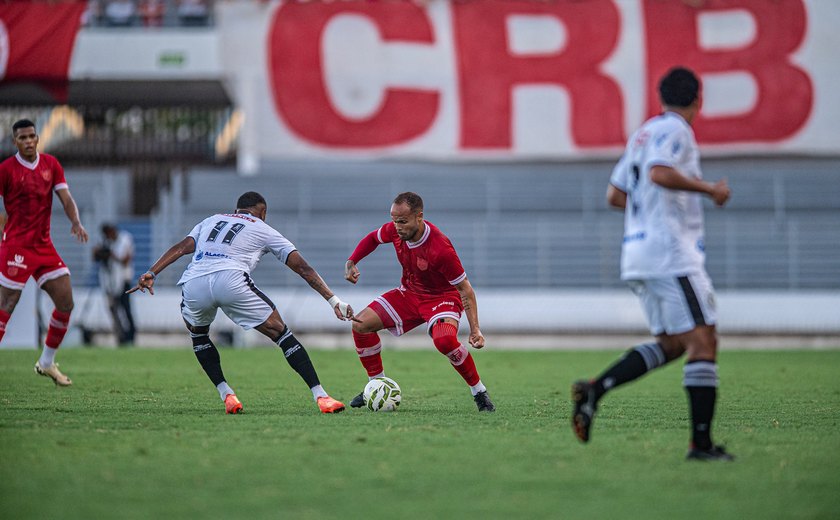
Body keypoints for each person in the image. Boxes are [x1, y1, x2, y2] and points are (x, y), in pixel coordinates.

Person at [570, 67, 733, 461]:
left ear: (661, 98)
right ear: (699, 99)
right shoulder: (678, 131)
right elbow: (660, 173)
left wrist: (648, 214)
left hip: (639, 252)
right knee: (704, 340)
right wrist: (709, 189)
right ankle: (701, 445)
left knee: (674, 344)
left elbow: (615, 195)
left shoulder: (643, 133)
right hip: (670, 254)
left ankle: (596, 389)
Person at [127, 191, 354, 414]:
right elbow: (303, 268)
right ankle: (321, 396)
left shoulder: (211, 220)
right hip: (230, 279)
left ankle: (226, 394)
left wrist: (152, 273)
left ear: (236, 209)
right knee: (280, 332)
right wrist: (333, 300)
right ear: (263, 212)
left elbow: (181, 248)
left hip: (195, 281)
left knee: (198, 334)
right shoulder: (264, 229)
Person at [344, 192, 495, 412]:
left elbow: (465, 290)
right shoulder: (396, 230)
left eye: (402, 221)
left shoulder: (440, 249)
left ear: (419, 217)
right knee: (360, 324)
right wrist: (352, 261)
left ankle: (479, 392)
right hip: (409, 294)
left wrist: (475, 330)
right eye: (394, 220)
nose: (396, 227)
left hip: (441, 298)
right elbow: (373, 238)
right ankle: (376, 384)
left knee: (444, 340)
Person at [0, 119, 89, 385]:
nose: (28, 141)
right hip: (16, 246)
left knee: (65, 301)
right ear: (15, 142)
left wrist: (76, 221)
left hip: (43, 246)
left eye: (31, 136)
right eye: (22, 138)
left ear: (38, 137)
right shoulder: (6, 170)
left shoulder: (51, 165)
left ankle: (47, 362)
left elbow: (66, 197)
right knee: (7, 305)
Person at [93, 223, 136, 345]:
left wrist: (112, 255)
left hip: (124, 279)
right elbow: (95, 256)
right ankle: (120, 335)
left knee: (126, 308)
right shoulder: (104, 242)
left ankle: (131, 335)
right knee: (113, 309)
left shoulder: (125, 239)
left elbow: (126, 260)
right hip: (109, 281)